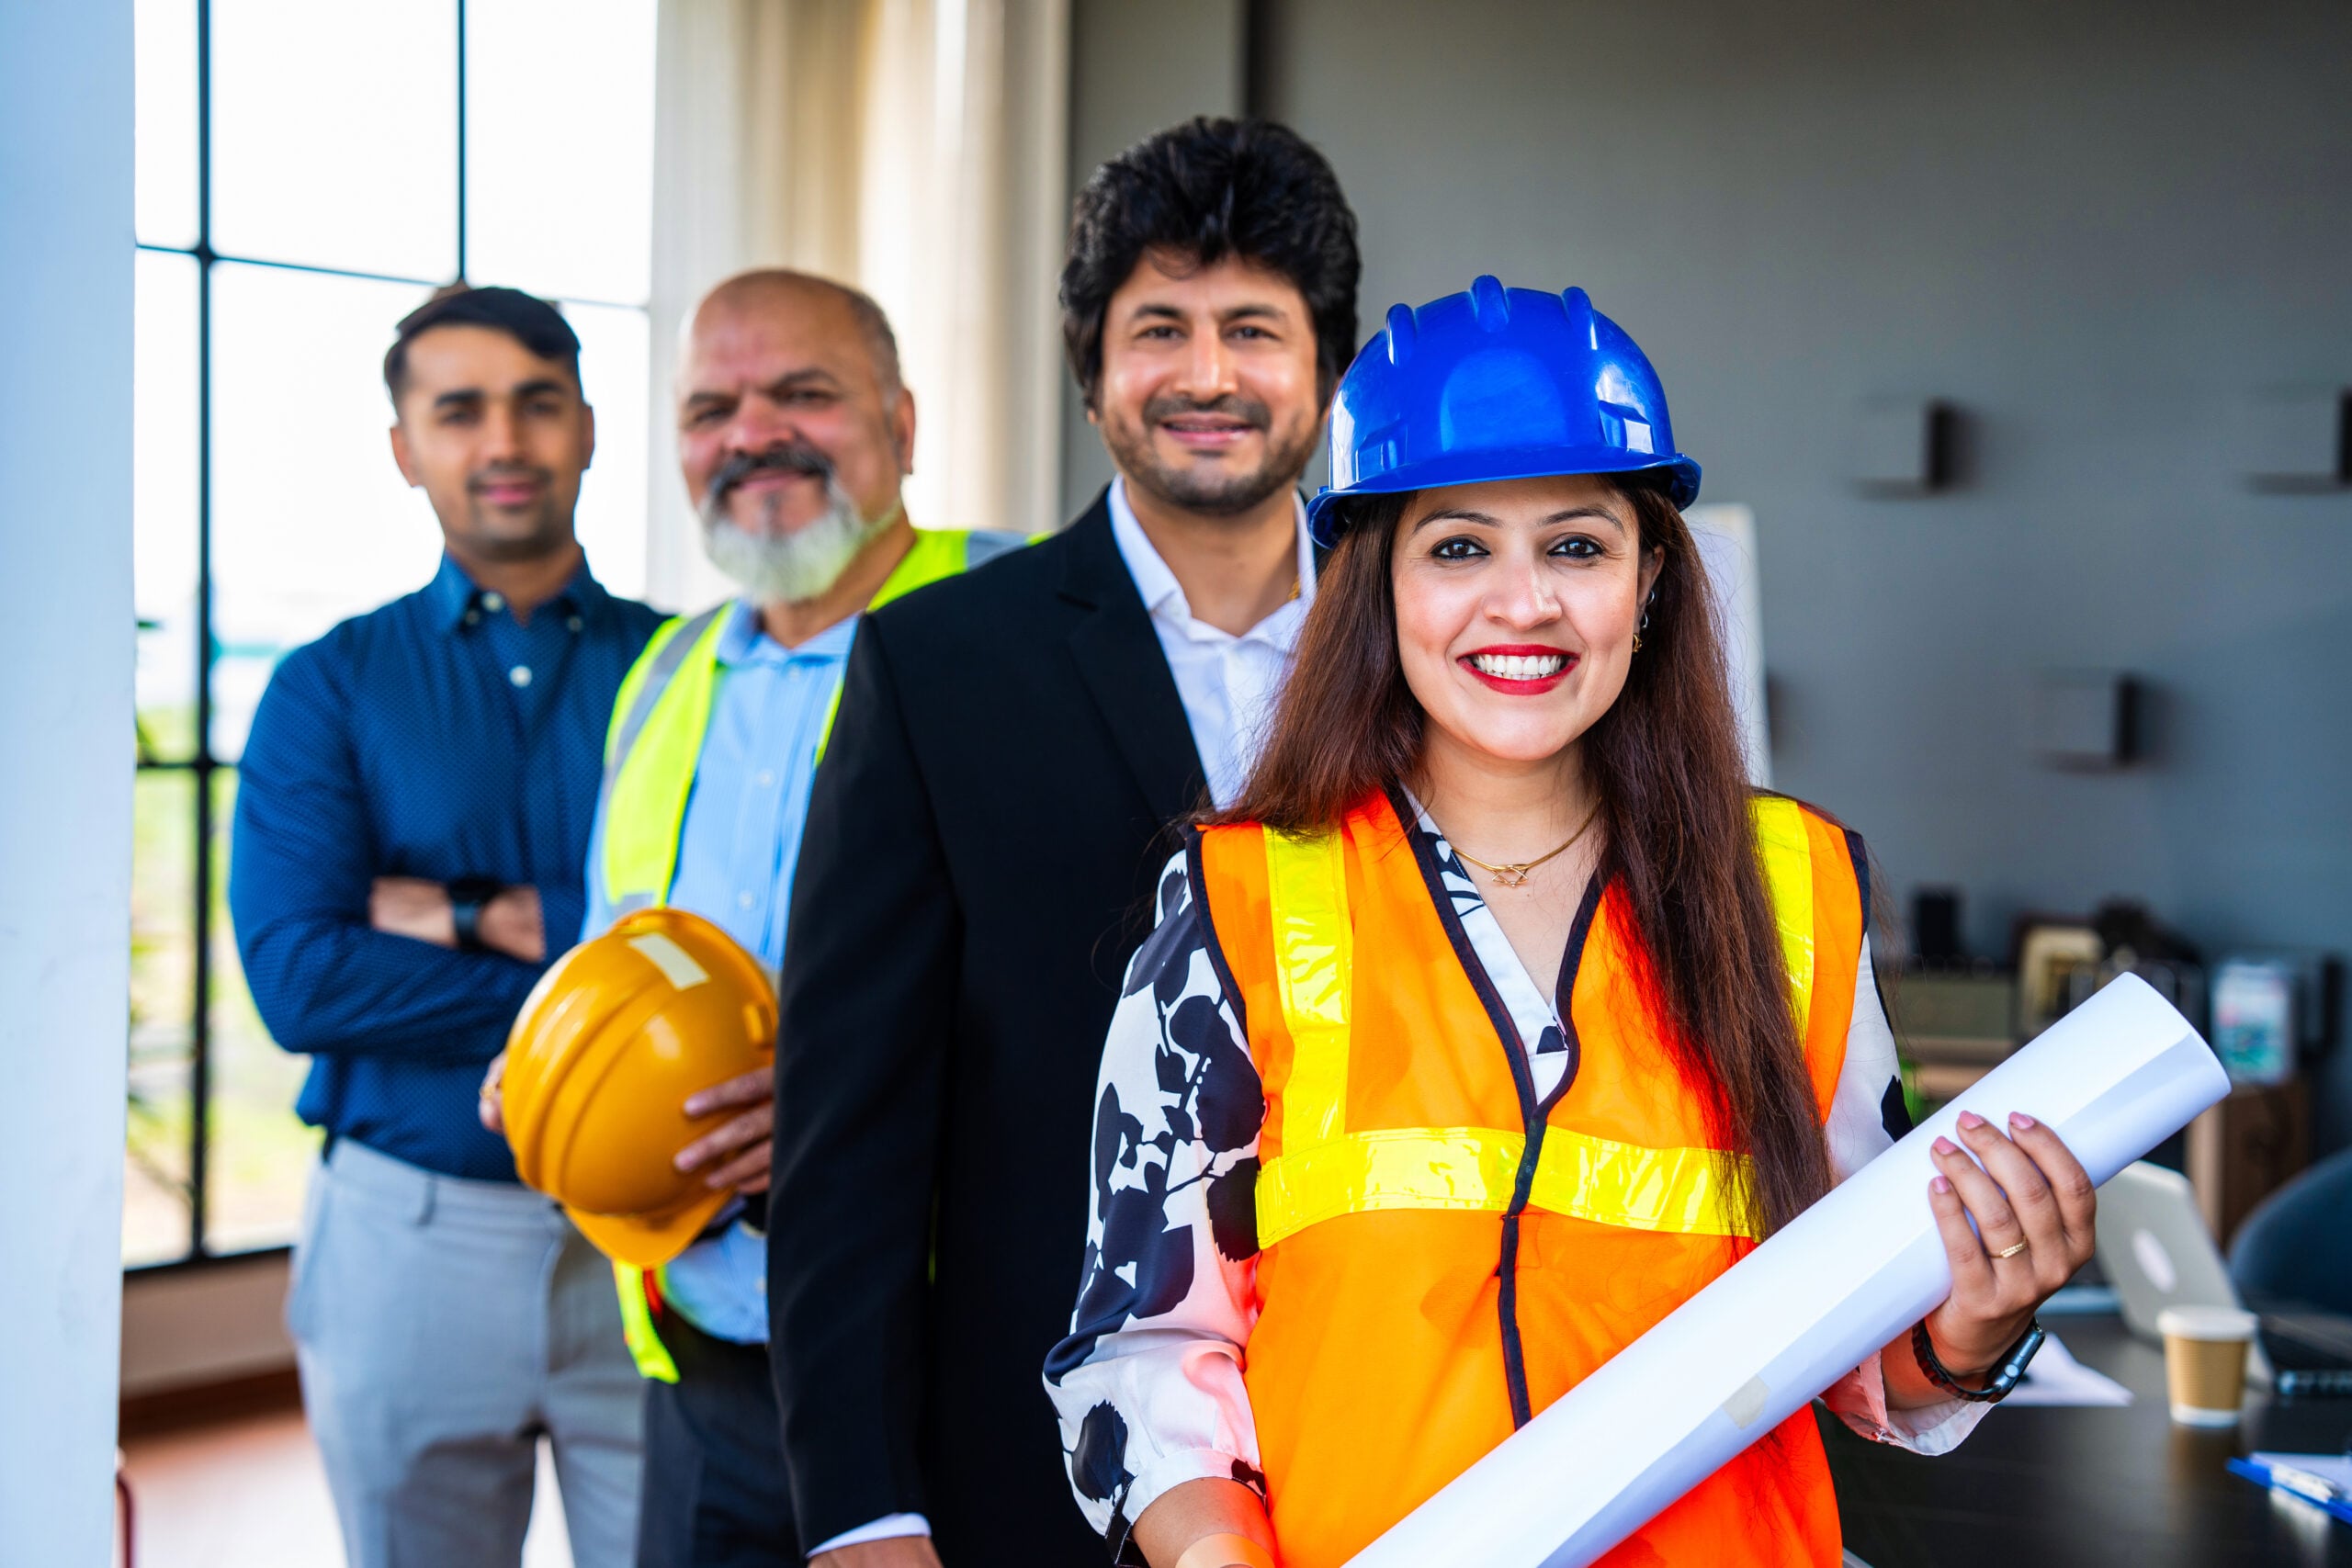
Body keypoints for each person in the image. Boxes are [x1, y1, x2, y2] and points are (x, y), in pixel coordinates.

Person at [1045, 277, 2098, 1568]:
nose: (1524, 603)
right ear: (1375, 584)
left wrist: (1976, 1324)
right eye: (1458, 547)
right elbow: (1142, 1356)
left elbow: (1868, 1348)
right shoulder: (1243, 896)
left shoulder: (1791, 893)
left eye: (1577, 546)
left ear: (1653, 578)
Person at [766, 118, 1361, 1566]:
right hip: (1044, 1460)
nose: (1208, 375)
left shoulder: (1435, 638)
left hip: (1394, 1425)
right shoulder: (937, 664)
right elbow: (847, 1138)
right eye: (1158, 327)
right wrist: (862, 1512)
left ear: (1326, 367)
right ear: (1092, 374)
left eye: (1254, 329)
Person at [482, 268, 1023, 1568]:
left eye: (804, 394)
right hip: (709, 1354)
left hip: (961, 1357)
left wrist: (853, 1104)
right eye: (711, 407)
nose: (751, 435)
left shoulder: (1025, 627)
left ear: (902, 422)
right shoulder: (665, 674)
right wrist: (555, 1063)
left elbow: (1123, 994)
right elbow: (625, 956)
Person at [231, 285, 665, 1568]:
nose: (505, 443)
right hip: (407, 1243)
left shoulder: (691, 664)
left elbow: (739, 936)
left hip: (651, 1243)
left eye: (538, 405)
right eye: (459, 410)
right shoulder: (329, 685)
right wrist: (605, 976)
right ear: (405, 448)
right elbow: (300, 977)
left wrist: (444, 913)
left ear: (588, 427)